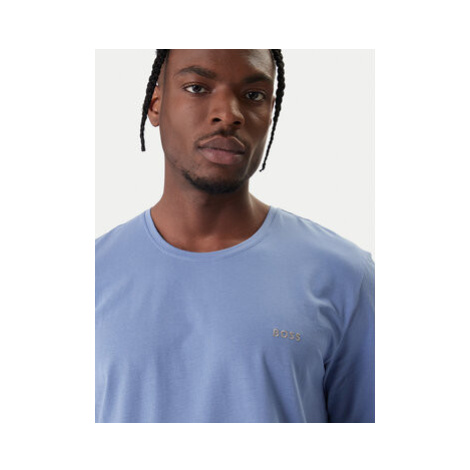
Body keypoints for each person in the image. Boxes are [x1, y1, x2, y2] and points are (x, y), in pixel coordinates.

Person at [95, 49, 375, 423]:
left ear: (271, 111)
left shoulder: (344, 275)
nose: (228, 114)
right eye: (197, 87)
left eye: (254, 95)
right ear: (156, 104)